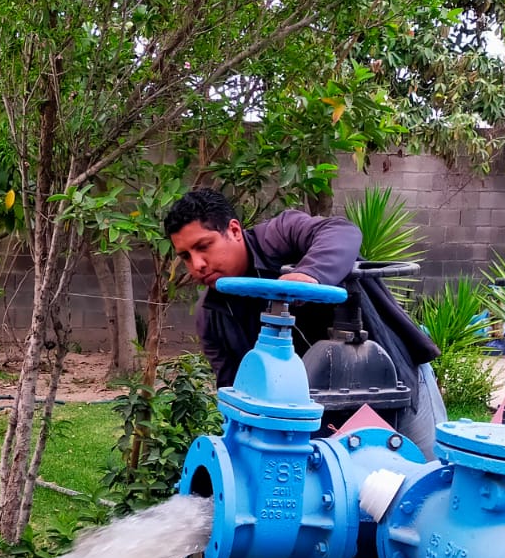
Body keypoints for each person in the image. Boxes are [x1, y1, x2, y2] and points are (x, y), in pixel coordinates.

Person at [163, 187, 445, 455]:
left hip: (395, 384)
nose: (197, 264)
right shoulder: (212, 316)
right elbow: (236, 393)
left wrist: (309, 274)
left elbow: (341, 231)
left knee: (429, 473)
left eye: (204, 246)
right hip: (322, 415)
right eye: (186, 256)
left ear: (234, 231)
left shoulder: (278, 235)